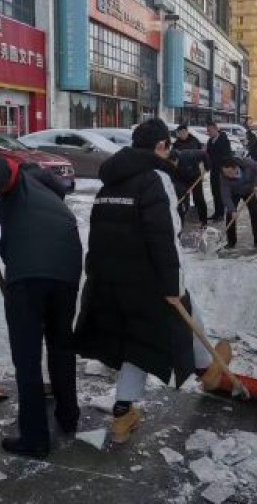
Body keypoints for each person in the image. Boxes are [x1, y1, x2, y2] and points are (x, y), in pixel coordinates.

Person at [75, 119, 231, 444]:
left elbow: (98, 234)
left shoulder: (111, 182)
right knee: (154, 332)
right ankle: (207, 371)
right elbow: (165, 236)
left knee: (143, 336)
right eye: (167, 147)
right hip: (146, 279)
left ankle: (125, 411)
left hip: (111, 277)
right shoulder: (154, 179)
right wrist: (172, 285)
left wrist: (96, 275)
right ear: (160, 146)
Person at [0, 159, 82, 459]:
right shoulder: (54, 198)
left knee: (27, 357)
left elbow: (0, 166)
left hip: (29, 278)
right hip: (67, 276)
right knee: (61, 347)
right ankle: (68, 417)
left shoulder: (22, 181)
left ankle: (34, 438)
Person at [220, 157, 257, 249]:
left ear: (235, 167)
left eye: (229, 172)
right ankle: (231, 242)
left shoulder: (248, 164)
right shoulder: (224, 177)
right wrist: (232, 210)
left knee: (254, 214)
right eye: (225, 173)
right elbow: (226, 195)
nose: (227, 175)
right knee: (230, 215)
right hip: (234, 193)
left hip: (249, 191)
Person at [172, 125, 209, 227]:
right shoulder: (176, 144)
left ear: (187, 132)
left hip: (194, 174)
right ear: (178, 133)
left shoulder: (194, 141)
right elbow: (173, 161)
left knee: (199, 197)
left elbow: (203, 154)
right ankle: (182, 219)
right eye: (180, 133)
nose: (182, 134)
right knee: (183, 197)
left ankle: (203, 220)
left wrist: (205, 168)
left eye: (184, 132)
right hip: (182, 176)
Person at [206, 122, 232, 221]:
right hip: (213, 170)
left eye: (210, 130)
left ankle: (221, 214)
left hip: (221, 171)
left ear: (216, 129)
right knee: (214, 192)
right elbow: (208, 155)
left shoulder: (224, 140)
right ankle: (216, 213)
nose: (208, 133)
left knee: (220, 192)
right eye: (208, 131)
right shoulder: (210, 141)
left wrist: (219, 164)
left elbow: (227, 156)